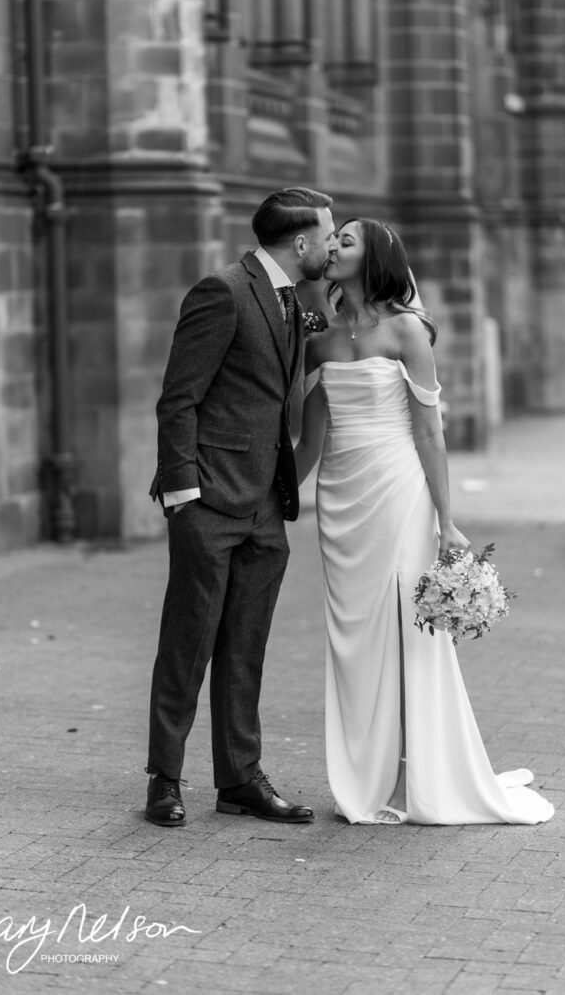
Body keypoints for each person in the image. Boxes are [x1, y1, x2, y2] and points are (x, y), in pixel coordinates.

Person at [295, 218, 554, 826]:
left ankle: (426, 771)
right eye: (334, 240)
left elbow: (428, 429)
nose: (333, 248)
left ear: (376, 257)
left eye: (346, 241)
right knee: (353, 635)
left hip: (399, 490)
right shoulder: (321, 340)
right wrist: (276, 497)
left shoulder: (407, 330)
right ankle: (368, 775)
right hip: (340, 497)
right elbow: (309, 440)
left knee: (411, 633)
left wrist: (448, 520)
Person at [145, 187, 336, 827]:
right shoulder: (222, 291)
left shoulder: (295, 302)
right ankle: (164, 781)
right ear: (300, 242)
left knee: (245, 647)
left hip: (265, 505)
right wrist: (183, 493)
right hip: (209, 502)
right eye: (328, 235)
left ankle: (240, 780)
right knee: (188, 643)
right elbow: (178, 399)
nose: (333, 245)